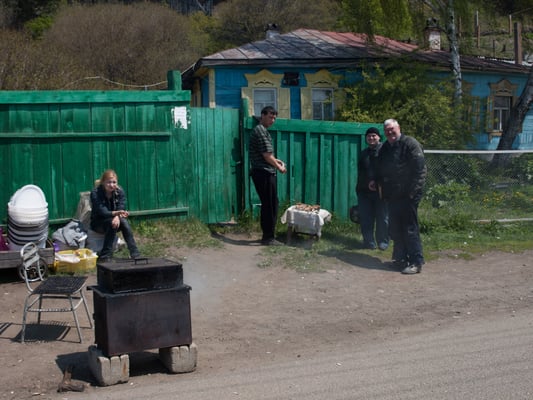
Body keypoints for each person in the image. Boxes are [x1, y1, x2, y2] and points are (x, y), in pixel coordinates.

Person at [371, 119, 426, 274]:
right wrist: (376, 181)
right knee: (395, 228)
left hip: (409, 195)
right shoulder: (385, 148)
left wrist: (412, 193)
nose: (390, 132)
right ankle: (400, 259)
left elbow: (420, 170)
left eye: (392, 129)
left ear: (398, 128)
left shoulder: (410, 144)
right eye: (387, 130)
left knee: (409, 228)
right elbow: (380, 167)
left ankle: (416, 262)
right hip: (392, 195)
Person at [249, 106, 287, 245]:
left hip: (263, 171)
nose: (273, 120)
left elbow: (267, 155)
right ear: (263, 115)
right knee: (269, 205)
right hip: (263, 173)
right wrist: (279, 167)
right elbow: (266, 155)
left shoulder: (262, 130)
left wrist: (276, 161)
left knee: (271, 203)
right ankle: (268, 238)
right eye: (270, 117)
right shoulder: (260, 131)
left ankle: (269, 235)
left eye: (274, 118)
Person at [90, 169, 141, 260]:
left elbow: (121, 206)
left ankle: (135, 253)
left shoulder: (119, 191)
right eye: (109, 182)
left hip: (114, 220)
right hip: (98, 223)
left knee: (124, 222)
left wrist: (118, 215)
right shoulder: (95, 193)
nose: (112, 185)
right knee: (112, 223)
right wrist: (117, 213)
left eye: (114, 182)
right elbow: (102, 211)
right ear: (103, 182)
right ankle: (105, 255)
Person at [356, 127, 389, 250]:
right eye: (369, 136)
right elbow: (361, 173)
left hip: (381, 191)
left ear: (379, 137)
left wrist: (378, 182)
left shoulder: (385, 152)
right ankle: (369, 242)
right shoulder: (363, 153)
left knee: (383, 218)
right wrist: (360, 188)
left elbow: (388, 171)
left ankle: (383, 242)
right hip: (364, 191)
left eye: (374, 135)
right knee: (365, 218)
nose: (371, 138)